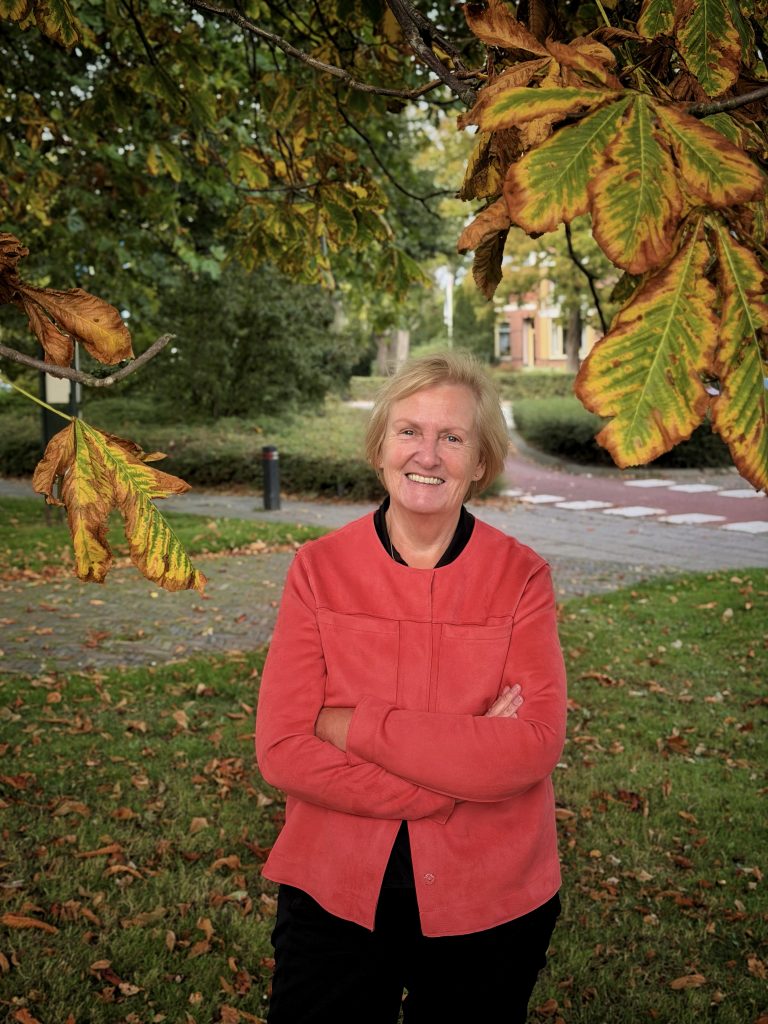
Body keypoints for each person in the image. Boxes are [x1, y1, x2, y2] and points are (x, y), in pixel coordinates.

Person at [255, 352, 567, 1023]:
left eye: (453, 437)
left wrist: (349, 726)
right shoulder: (317, 571)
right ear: (381, 447)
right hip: (334, 892)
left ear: (481, 461)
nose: (428, 454)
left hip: (491, 896)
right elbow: (283, 748)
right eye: (409, 432)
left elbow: (533, 745)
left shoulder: (522, 579)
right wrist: (454, 773)